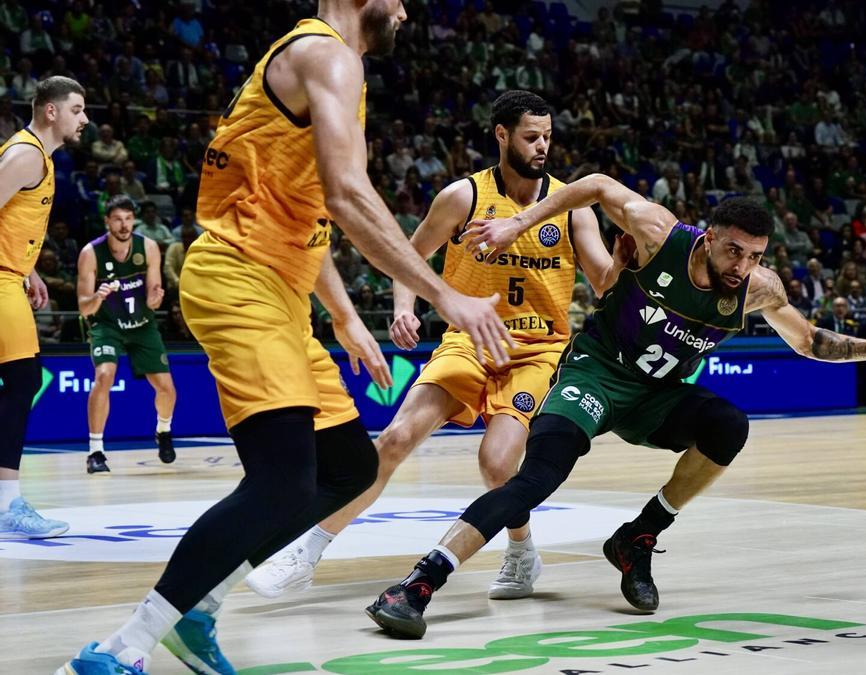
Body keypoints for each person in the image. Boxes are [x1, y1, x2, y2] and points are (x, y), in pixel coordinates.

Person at [59, 3, 512, 674]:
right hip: (240, 279)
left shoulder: (324, 59)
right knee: (280, 482)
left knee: (348, 469)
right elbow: (349, 193)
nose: (406, 9)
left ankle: (199, 606)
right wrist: (444, 293)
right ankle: (120, 647)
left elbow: (312, 210)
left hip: (282, 290)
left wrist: (345, 315)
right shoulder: (327, 55)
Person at [363, 178, 866, 639]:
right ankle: (419, 583)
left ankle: (637, 537)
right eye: (733, 251)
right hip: (594, 374)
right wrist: (520, 220)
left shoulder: (759, 288)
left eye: (754, 255)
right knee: (537, 477)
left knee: (728, 425)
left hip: (658, 396)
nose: (741, 266)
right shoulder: (657, 232)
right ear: (709, 237)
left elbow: (810, 342)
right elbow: (593, 183)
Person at [245, 90, 622, 602]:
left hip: (537, 351)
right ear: (502, 135)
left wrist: (625, 259)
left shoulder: (571, 208)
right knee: (396, 438)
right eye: (532, 137)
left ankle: (521, 550)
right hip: (468, 342)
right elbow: (409, 256)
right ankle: (305, 553)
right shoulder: (462, 197)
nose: (542, 147)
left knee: (498, 463)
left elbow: (603, 282)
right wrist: (405, 307)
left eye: (548, 137)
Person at [0, 77, 87, 540]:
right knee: (23, 380)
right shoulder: (27, 154)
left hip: (11, 275)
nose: (85, 118)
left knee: (21, 380)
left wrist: (28, 267)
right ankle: (7, 506)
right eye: (77, 109)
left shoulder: (39, 157)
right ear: (51, 111)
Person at [76, 195, 177, 474]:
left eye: (129, 219)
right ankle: (96, 451)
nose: (124, 225)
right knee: (104, 376)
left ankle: (163, 431)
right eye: (118, 219)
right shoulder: (90, 253)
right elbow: (84, 308)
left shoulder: (149, 247)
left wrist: (156, 298)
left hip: (142, 325)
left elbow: (154, 298)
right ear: (107, 221)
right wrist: (98, 295)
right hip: (106, 326)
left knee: (166, 388)